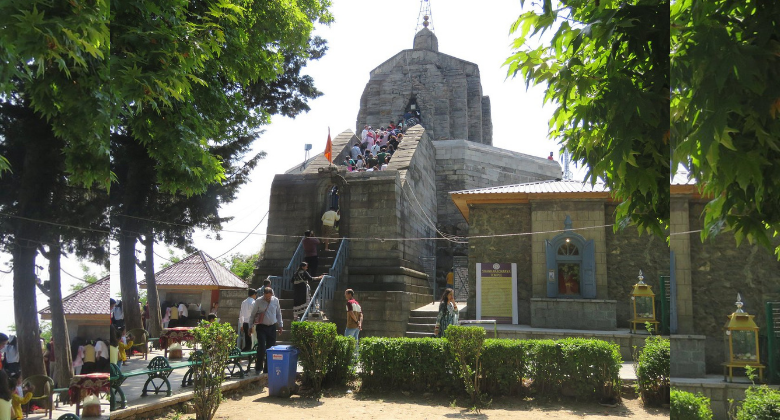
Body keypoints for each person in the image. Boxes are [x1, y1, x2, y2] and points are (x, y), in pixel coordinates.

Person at [249, 287, 283, 374]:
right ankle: (258, 368)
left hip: (272, 327)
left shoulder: (275, 300)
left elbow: (278, 313)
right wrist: (250, 326)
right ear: (263, 294)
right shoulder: (258, 301)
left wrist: (280, 325)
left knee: (270, 348)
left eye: (269, 297)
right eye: (266, 297)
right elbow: (253, 314)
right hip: (261, 327)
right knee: (262, 347)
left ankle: (267, 369)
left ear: (272, 295)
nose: (268, 298)